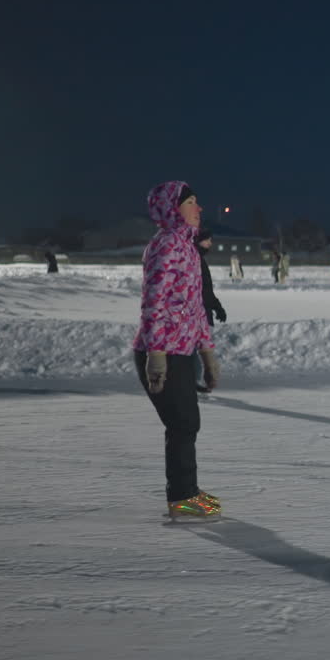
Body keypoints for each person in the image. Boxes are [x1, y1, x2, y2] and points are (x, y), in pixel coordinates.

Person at [131, 181, 222, 520]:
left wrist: (207, 354)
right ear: (172, 208)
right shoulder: (167, 246)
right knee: (182, 424)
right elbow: (152, 303)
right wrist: (156, 354)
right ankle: (182, 497)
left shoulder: (188, 248)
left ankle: (187, 492)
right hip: (163, 352)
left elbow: (196, 309)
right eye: (191, 203)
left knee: (187, 423)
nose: (198, 209)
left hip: (181, 351)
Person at [193, 229, 227, 394]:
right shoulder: (195, 259)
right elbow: (203, 290)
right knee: (196, 347)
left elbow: (206, 289)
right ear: (199, 241)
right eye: (208, 240)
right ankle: (193, 381)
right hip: (196, 311)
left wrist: (217, 307)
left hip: (201, 309)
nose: (210, 244)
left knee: (198, 347)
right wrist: (216, 307)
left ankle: (196, 380)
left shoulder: (198, 259)